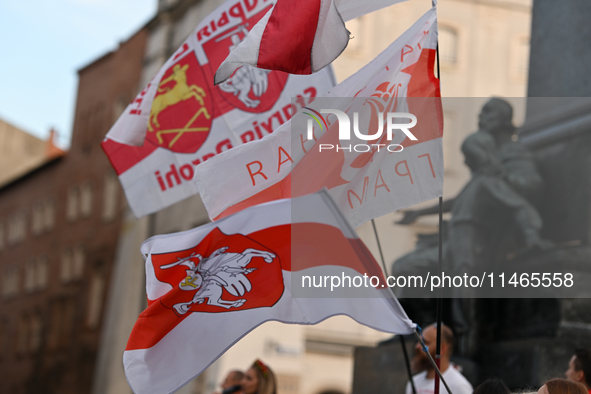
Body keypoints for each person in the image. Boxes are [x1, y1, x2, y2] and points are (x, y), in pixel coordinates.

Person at [405, 323, 473, 394]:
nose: (417, 346)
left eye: (425, 342)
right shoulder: (413, 382)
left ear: (442, 348)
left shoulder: (459, 386)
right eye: (418, 341)